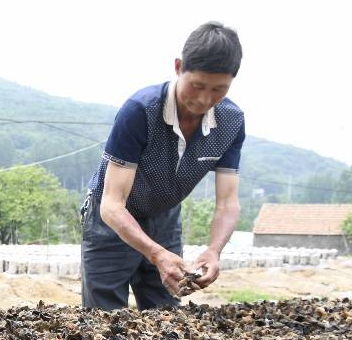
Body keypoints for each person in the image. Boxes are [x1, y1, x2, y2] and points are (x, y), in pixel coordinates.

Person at [81, 21, 245, 310]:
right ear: (179, 66)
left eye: (219, 90)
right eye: (197, 86)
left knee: (165, 318)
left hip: (164, 217)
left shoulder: (231, 121)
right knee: (103, 320)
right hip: (113, 220)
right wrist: (157, 255)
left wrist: (214, 250)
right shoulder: (141, 110)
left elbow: (228, 204)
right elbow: (111, 204)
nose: (205, 99)